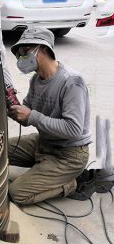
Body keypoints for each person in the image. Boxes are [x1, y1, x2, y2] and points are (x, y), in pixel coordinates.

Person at [7, 27, 92, 205]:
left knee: (17, 193)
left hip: (69, 154)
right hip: (44, 142)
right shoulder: (36, 79)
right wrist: (14, 109)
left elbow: (73, 130)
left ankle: (70, 184)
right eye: (19, 54)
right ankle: (44, 170)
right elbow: (28, 112)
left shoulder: (71, 81)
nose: (21, 57)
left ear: (43, 49)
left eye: (25, 51)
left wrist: (32, 116)